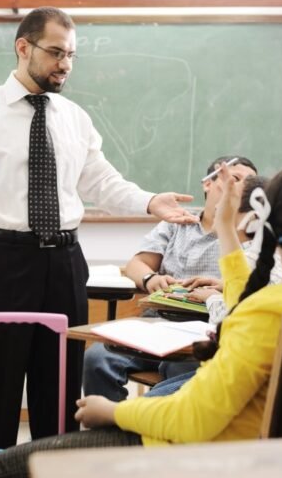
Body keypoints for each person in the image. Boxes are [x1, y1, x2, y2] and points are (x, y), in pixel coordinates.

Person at [0, 6, 197, 452]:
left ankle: (52, 466)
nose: (65, 64)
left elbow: (101, 181)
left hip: (63, 263)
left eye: (71, 55)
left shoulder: (74, 117)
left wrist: (150, 201)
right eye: (56, 52)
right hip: (1, 260)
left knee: (57, 390)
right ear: (23, 48)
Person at [0, 159, 282, 478]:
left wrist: (112, 410)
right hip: (261, 452)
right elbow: (247, 307)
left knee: (1, 467)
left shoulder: (271, 310)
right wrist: (226, 234)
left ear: (267, 225)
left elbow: (194, 419)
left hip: (201, 454)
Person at [83, 156, 258, 401]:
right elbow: (137, 264)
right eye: (233, 178)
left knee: (176, 374)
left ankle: (142, 424)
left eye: (247, 184)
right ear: (208, 184)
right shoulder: (177, 223)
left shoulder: (247, 234)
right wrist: (150, 278)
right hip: (157, 322)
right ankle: (107, 435)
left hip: (206, 327)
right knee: (97, 358)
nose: (237, 187)